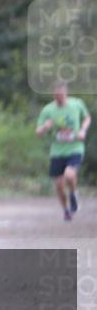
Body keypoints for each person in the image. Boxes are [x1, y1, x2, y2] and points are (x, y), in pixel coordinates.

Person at [35, 80, 90, 221]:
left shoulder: (77, 104)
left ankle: (73, 194)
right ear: (53, 95)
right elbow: (38, 132)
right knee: (59, 186)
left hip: (75, 148)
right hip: (57, 151)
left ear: (66, 93)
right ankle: (66, 210)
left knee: (69, 175)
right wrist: (45, 127)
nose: (59, 98)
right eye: (56, 95)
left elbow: (87, 118)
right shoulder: (48, 110)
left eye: (61, 95)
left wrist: (83, 130)